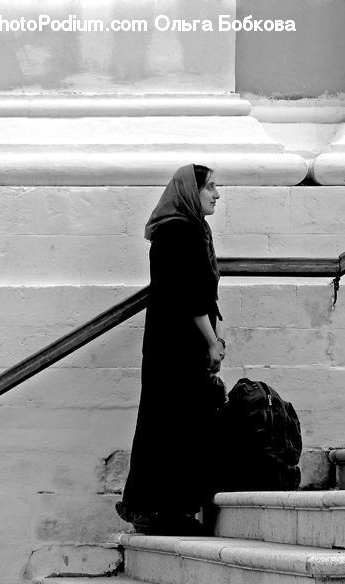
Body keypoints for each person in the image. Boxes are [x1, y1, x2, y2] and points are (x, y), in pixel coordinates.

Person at [116, 164, 226, 535]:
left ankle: (148, 506)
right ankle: (172, 511)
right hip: (180, 343)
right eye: (210, 187)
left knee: (161, 421)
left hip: (166, 341)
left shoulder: (172, 230)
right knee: (182, 423)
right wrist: (212, 342)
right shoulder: (186, 230)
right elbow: (190, 294)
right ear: (188, 191)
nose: (217, 194)